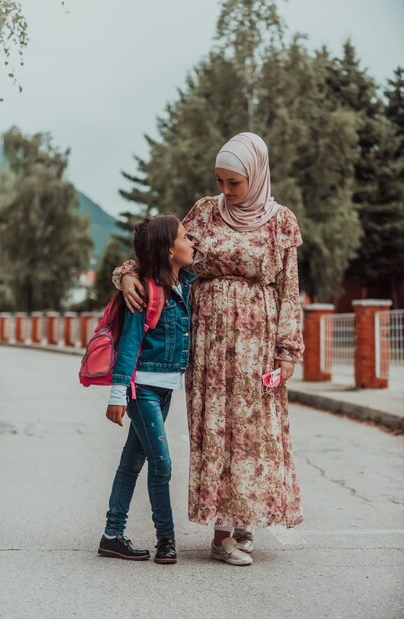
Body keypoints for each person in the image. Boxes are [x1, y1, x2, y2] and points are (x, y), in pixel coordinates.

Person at [113, 132, 304, 567]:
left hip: (257, 343)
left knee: (254, 434)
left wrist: (288, 349)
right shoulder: (203, 212)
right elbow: (159, 250)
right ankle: (221, 535)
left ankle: (245, 523)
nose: (225, 190)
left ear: (255, 176)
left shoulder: (280, 221)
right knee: (217, 431)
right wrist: (126, 274)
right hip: (208, 347)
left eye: (233, 182)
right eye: (219, 180)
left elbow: (289, 290)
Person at [98, 214, 195, 565]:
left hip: (166, 389)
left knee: (132, 460)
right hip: (143, 389)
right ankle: (166, 540)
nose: (192, 243)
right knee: (162, 464)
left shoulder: (187, 283)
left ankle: (112, 535)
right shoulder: (143, 290)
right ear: (170, 251)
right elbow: (129, 344)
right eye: (185, 238)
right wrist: (117, 393)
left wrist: (124, 272)